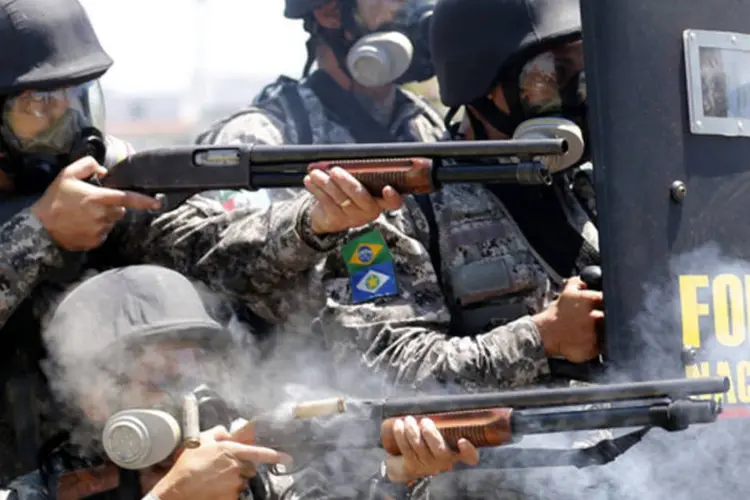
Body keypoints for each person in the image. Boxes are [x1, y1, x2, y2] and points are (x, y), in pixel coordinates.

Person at [0, 0, 399, 482]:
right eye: (38, 106)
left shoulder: (100, 183)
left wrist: (312, 222)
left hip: (120, 470)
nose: (67, 124)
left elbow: (211, 249)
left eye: (77, 97)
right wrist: (38, 235)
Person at [303, 0, 609, 497]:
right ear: (483, 85)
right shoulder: (393, 210)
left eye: (583, 72)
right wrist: (543, 338)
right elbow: (383, 375)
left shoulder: (602, 186)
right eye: (550, 75)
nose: (575, 94)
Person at [1, 265, 478, 500]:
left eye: (194, 369)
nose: (187, 394)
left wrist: (400, 478)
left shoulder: (256, 469)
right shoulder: (44, 491)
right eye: (156, 379)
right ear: (92, 400)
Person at [195, 0, 446, 209]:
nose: (419, 8)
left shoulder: (429, 126)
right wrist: (309, 226)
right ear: (330, 12)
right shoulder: (260, 139)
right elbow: (206, 242)